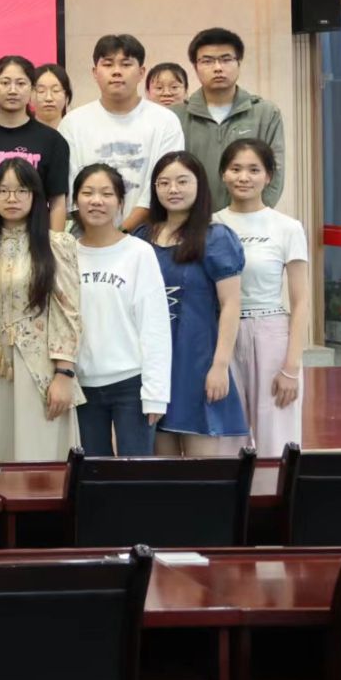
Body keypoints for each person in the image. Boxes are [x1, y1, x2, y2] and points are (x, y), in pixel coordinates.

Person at [141, 152, 248, 456]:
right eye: (164, 183)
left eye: (182, 181)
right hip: (153, 368)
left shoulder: (216, 237)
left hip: (199, 362)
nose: (173, 189)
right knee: (159, 469)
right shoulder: (141, 238)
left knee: (203, 471)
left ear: (199, 185)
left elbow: (231, 304)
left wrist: (220, 366)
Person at [0, 158, 84, 462]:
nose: (12, 198)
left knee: (40, 451)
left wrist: (64, 373)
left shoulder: (56, 244)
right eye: (3, 191)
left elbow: (69, 310)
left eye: (21, 190)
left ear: (36, 195)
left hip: (40, 367)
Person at [71, 164, 173, 457]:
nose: (96, 201)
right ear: (75, 201)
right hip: (82, 386)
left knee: (134, 473)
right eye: (88, 193)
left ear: (120, 202)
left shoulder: (139, 253)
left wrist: (155, 394)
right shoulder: (66, 253)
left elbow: (154, 325)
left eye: (106, 194)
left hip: (131, 385)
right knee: (91, 473)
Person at [215, 139, 307, 458]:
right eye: (235, 169)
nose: (244, 177)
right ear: (223, 174)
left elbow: (301, 302)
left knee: (276, 439)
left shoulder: (288, 228)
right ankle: (234, 493)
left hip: (271, 333)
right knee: (226, 438)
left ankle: (276, 492)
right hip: (222, 335)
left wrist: (291, 367)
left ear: (268, 177)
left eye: (254, 170)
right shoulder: (211, 224)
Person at [58, 35, 185, 233]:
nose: (117, 71)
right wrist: (102, 236)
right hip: (87, 233)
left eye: (126, 64)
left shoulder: (165, 121)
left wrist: (121, 233)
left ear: (141, 72)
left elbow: (164, 182)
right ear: (95, 72)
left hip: (150, 232)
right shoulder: (73, 123)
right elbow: (71, 187)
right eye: (108, 64)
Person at [179, 27, 287, 208]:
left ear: (239, 63)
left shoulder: (266, 113)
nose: (218, 68)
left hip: (249, 219)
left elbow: (275, 171)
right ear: (195, 67)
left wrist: (254, 214)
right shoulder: (177, 115)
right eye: (207, 61)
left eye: (226, 59)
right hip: (193, 221)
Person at [0, 55, 72, 235]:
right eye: (5, 83)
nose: (12, 90)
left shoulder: (52, 140)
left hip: (37, 241)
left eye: (21, 83)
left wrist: (55, 243)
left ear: (32, 89)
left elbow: (57, 201)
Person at [32, 63, 72, 128]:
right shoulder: (19, 133)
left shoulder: (74, 131)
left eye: (56, 90)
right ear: (29, 98)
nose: (49, 98)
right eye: (41, 91)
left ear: (67, 98)